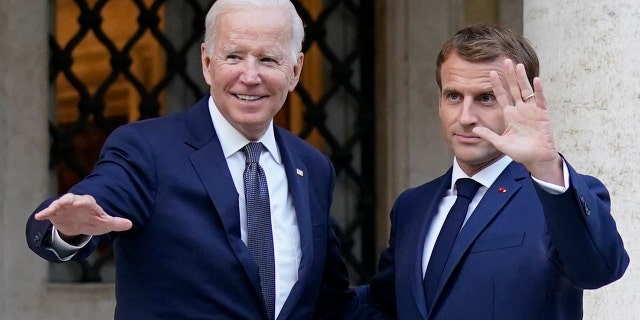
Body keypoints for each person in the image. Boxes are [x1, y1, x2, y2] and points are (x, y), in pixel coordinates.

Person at [25, 0, 355, 318]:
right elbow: (97, 199)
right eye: (234, 56)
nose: (250, 76)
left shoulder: (312, 167)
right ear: (208, 63)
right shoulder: (147, 150)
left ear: (295, 70)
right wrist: (68, 230)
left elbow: (330, 303)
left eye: (268, 59)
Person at [358, 24, 629, 319]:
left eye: (486, 98)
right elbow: (383, 305)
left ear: (522, 103)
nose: (465, 117)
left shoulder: (556, 195)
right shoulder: (412, 206)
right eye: (453, 96)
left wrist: (546, 166)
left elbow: (598, 270)